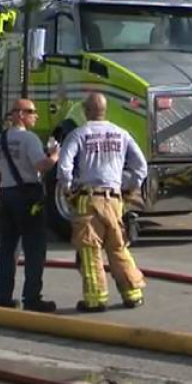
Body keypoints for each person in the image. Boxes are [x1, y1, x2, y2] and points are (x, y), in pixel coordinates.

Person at [57, 93, 147, 313]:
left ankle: (96, 299)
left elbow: (64, 167)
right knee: (118, 247)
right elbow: (141, 167)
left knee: (89, 248)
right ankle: (133, 293)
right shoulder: (121, 134)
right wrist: (126, 184)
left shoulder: (79, 134)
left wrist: (68, 186)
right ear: (104, 110)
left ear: (87, 111)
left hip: (88, 200)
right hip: (115, 201)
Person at [0, 99, 59, 312]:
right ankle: (32, 298)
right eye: (32, 112)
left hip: (7, 196)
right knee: (34, 248)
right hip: (28, 195)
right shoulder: (29, 139)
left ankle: (2, 297)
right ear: (19, 115)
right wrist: (54, 156)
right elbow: (41, 165)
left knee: (7, 248)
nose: (36, 115)